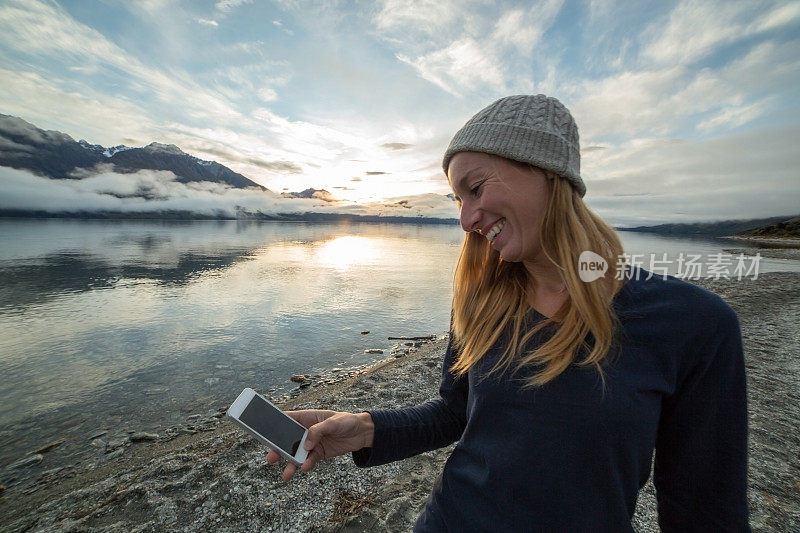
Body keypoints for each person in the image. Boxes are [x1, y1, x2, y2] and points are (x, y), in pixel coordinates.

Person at [266, 95, 750, 531]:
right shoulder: (484, 300)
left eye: (475, 189)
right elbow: (457, 412)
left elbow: (705, 511)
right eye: (459, 200)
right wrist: (365, 429)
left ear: (546, 172)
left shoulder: (694, 325)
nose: (465, 219)